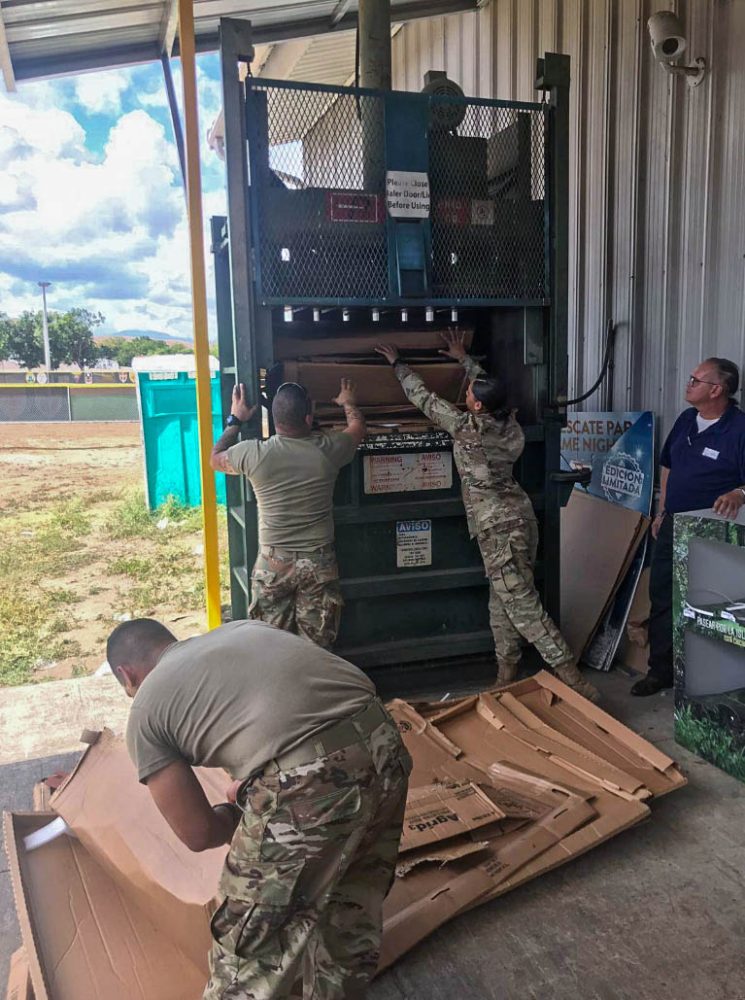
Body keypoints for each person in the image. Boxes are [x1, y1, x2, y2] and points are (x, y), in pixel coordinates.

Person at [106, 617, 411, 1000]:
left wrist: (239, 812)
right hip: (385, 743)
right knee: (349, 913)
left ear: (126, 674)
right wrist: (259, 789)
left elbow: (198, 833)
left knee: (247, 954)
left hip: (310, 782)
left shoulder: (146, 708)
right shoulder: (245, 630)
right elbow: (294, 715)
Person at [374, 330, 599, 702]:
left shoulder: (466, 431)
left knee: (523, 606)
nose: (464, 396)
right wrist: (465, 359)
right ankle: (505, 673)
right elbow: (489, 391)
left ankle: (573, 678)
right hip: (521, 520)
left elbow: (424, 400)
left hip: (497, 529)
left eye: (468, 395)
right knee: (502, 601)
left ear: (476, 407)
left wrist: (397, 364)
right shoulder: (509, 425)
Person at [211, 378, 365, 649]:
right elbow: (357, 429)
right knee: (317, 650)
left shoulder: (253, 454)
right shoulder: (328, 449)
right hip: (318, 563)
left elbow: (215, 457)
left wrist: (235, 418)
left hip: (272, 564)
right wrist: (348, 402)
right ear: (308, 417)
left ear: (274, 418)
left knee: (270, 646)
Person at [632, 357, 745, 696]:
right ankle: (661, 671)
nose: (689, 383)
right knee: (664, 597)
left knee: (710, 607)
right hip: (673, 525)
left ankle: (710, 684)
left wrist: (740, 493)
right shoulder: (685, 421)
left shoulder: (739, 429)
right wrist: (662, 511)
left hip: (713, 535)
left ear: (717, 389)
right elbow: (668, 467)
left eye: (696, 379)